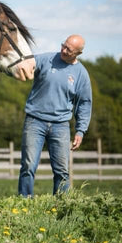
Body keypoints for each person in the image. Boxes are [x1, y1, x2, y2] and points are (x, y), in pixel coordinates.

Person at [18, 34, 92, 197]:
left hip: (61, 125)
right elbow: (26, 63)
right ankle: (24, 202)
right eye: (63, 45)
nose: (63, 50)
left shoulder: (81, 74)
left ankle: (61, 205)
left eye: (69, 50)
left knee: (62, 171)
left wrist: (80, 131)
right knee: (28, 166)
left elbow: (85, 104)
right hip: (35, 121)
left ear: (78, 54)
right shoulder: (46, 59)